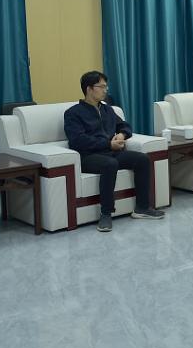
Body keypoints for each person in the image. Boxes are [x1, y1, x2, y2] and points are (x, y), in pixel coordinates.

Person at [64, 71, 165, 232]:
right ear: (89, 89)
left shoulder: (107, 110)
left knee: (142, 159)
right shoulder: (73, 113)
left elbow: (125, 126)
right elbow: (78, 140)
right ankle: (106, 213)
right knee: (110, 164)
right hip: (88, 157)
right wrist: (108, 144)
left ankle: (142, 207)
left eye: (106, 87)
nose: (105, 90)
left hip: (111, 152)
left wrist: (122, 134)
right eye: (101, 86)